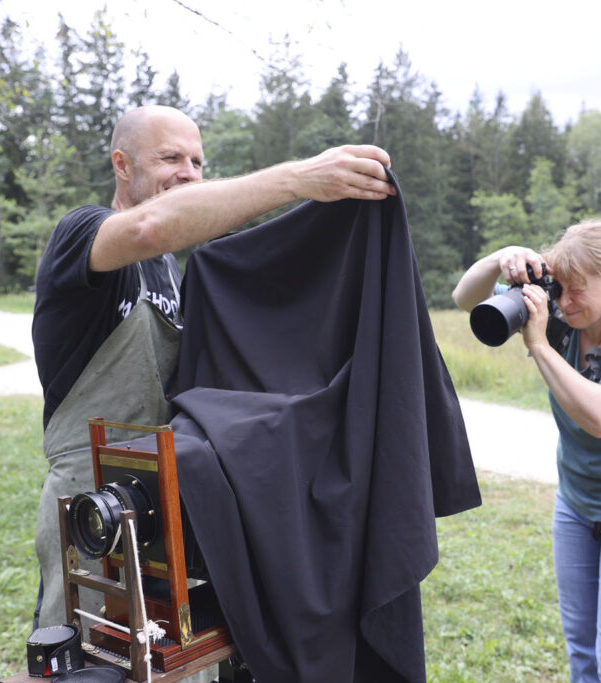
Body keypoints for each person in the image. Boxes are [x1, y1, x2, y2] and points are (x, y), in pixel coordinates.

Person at [31, 104, 395, 632]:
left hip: (172, 497)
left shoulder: (173, 271)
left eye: (198, 162)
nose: (189, 173)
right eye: (171, 157)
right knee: (91, 653)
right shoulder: (83, 234)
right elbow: (152, 227)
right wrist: (298, 179)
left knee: (176, 653)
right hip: (93, 504)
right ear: (123, 164)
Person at [452, 220, 601, 682]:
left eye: (579, 290)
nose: (564, 302)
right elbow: (465, 298)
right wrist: (503, 255)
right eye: (561, 288)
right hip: (577, 504)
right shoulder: (563, 311)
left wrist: (539, 344)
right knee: (584, 656)